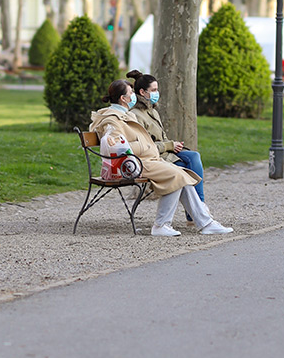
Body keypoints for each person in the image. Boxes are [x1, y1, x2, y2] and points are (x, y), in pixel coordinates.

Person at [89, 80, 232, 238]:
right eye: (131, 93)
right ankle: (162, 225)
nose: (133, 96)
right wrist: (144, 147)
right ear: (123, 98)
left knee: (180, 174)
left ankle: (206, 224)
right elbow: (115, 146)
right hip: (132, 164)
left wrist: (146, 148)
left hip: (146, 160)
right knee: (176, 175)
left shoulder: (125, 115)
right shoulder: (112, 119)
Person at [126, 69, 205, 208]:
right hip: (154, 157)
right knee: (183, 169)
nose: (157, 93)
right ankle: (198, 212)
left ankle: (200, 208)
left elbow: (162, 138)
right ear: (143, 92)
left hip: (166, 153)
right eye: (154, 90)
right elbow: (145, 147)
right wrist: (169, 145)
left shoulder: (153, 111)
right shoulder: (136, 115)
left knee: (194, 156)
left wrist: (173, 145)